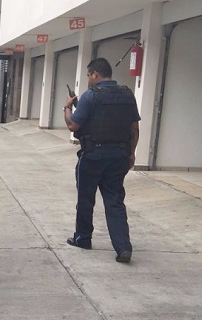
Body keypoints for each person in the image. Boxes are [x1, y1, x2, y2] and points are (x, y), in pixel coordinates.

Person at [64, 58, 140, 263]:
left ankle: (83, 238)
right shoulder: (127, 95)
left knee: (86, 199)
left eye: (89, 75)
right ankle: (123, 247)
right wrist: (131, 153)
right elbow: (134, 128)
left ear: (95, 74)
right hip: (119, 156)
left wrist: (67, 107)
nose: (88, 79)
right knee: (115, 201)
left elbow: (73, 126)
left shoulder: (90, 96)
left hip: (93, 155)